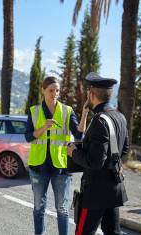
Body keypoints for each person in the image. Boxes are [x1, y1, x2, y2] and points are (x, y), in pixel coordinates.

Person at [25, 76, 89, 235]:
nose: (55, 94)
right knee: (39, 208)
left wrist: (85, 114)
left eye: (57, 90)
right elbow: (28, 137)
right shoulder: (34, 111)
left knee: (62, 209)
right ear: (43, 91)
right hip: (38, 167)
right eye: (51, 90)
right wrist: (43, 127)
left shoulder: (67, 111)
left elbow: (79, 135)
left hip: (61, 167)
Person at [67, 72, 129, 235]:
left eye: (88, 92)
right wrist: (117, 164)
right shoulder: (120, 117)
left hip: (95, 192)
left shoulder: (99, 121)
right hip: (114, 188)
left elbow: (95, 162)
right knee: (112, 232)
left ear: (92, 95)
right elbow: (125, 150)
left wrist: (73, 152)